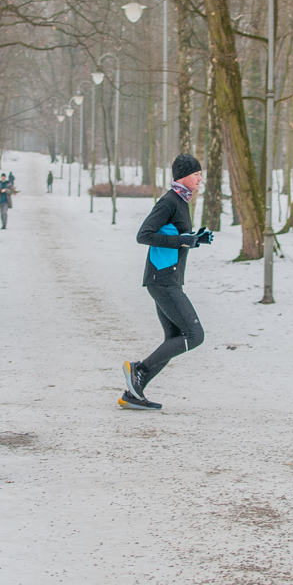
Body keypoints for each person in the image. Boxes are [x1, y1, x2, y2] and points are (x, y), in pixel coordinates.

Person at [120, 153, 213, 410]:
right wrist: (183, 240)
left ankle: (134, 393)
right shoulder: (169, 202)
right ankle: (139, 370)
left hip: (169, 279)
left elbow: (173, 235)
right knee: (194, 335)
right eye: (196, 174)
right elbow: (144, 235)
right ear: (183, 175)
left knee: (174, 338)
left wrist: (194, 239)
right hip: (162, 281)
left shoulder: (182, 201)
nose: (200, 178)